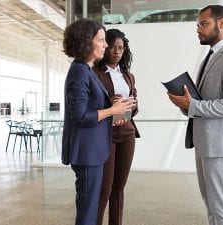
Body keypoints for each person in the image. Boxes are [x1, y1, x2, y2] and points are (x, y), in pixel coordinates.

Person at [167, 5, 223, 225]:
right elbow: (203, 101)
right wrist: (185, 104)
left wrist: (192, 106)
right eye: (198, 25)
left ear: (221, 23)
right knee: (212, 206)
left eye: (204, 24)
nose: (198, 29)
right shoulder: (211, 56)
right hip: (207, 144)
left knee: (222, 208)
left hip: (220, 147)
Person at [61, 19, 135, 225]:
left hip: (92, 151)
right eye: (102, 40)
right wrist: (113, 110)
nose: (105, 45)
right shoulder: (80, 71)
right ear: (87, 42)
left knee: (90, 208)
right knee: (88, 211)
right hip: (87, 152)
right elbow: (81, 116)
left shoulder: (84, 70)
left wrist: (112, 105)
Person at [93, 28, 140, 225]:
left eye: (121, 48)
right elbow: (93, 104)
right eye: (112, 47)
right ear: (105, 48)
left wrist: (134, 105)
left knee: (119, 187)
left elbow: (135, 103)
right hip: (107, 134)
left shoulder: (128, 76)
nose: (117, 52)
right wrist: (111, 105)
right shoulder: (95, 73)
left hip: (127, 132)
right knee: (105, 188)